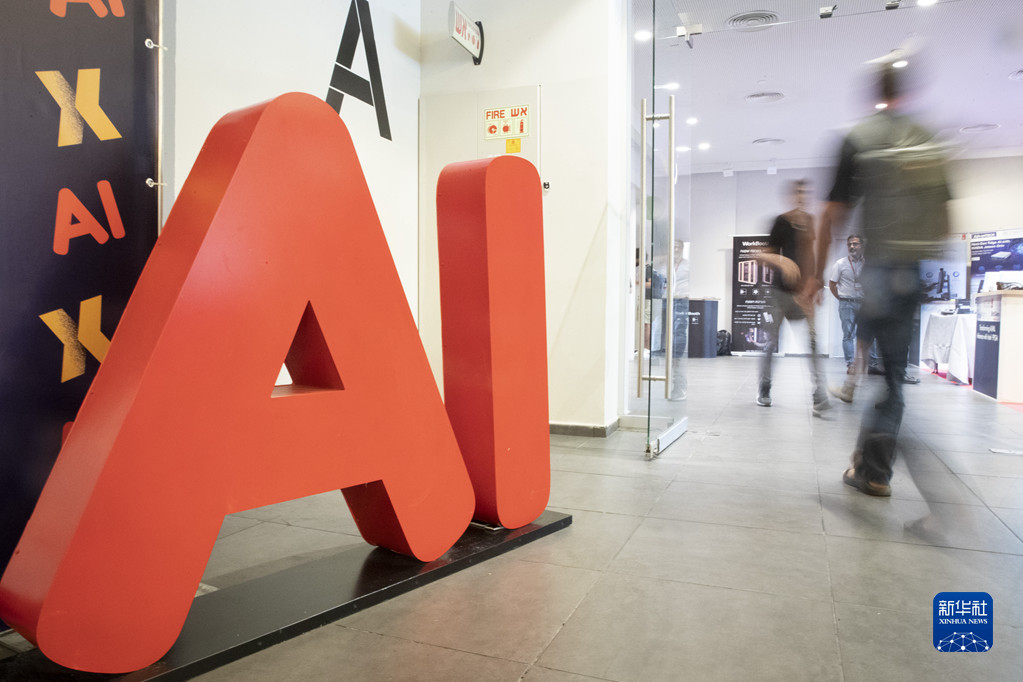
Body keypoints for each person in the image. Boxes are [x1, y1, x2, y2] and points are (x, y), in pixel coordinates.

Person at [816, 56, 951, 497]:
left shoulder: (859, 138)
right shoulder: (929, 140)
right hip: (910, 272)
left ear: (875, 93)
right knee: (893, 377)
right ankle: (873, 469)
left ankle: (876, 468)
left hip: (878, 272)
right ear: (908, 91)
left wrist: (815, 273)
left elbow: (834, 213)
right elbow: (945, 218)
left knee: (865, 352)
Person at [755, 179, 830, 416]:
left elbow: (812, 256)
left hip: (803, 295)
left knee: (814, 342)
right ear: (792, 196)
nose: (801, 196)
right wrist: (782, 261)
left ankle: (819, 393)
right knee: (771, 342)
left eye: (806, 192)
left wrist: (817, 284)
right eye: (798, 192)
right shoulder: (781, 221)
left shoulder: (810, 222)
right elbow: (762, 256)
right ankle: (764, 387)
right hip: (779, 294)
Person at [828, 235, 880, 402]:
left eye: (855, 244)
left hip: (865, 303)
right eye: (849, 244)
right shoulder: (840, 264)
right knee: (848, 335)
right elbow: (832, 284)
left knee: (869, 336)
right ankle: (850, 364)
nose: (852, 246)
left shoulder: (868, 263)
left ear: (861, 246)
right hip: (847, 304)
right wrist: (842, 298)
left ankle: (872, 364)